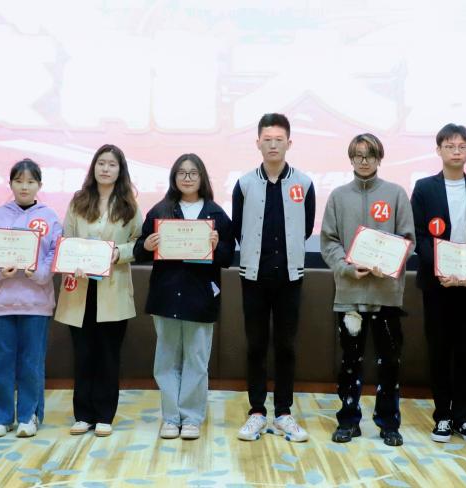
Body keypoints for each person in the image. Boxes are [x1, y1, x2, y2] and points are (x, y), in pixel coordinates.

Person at [320, 133, 415, 446]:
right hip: (350, 295)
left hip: (386, 294)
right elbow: (329, 241)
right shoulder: (338, 196)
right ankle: (348, 421)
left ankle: (389, 423)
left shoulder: (396, 194)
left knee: (389, 363)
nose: (364, 161)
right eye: (358, 155)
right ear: (351, 159)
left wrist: (388, 262)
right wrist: (347, 268)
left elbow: (408, 239)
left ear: (379, 158)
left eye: (370, 155)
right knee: (350, 363)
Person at [133, 154, 235, 441]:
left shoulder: (216, 214)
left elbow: (228, 257)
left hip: (200, 297)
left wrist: (217, 246)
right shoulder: (160, 210)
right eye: (181, 173)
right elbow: (140, 250)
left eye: (193, 173)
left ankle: (191, 418)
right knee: (166, 361)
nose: (187, 178)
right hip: (166, 295)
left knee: (196, 360)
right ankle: (170, 417)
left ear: (202, 177)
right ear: (174, 177)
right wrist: (147, 244)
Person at [410, 123, 466, 444]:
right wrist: (439, 268)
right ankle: (443, 417)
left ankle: (464, 418)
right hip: (438, 285)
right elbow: (418, 235)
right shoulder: (424, 188)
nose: (456, 152)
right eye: (450, 146)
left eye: (462, 146)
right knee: (439, 351)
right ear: (439, 150)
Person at [231, 113, 316, 442]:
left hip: (290, 276)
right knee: (255, 345)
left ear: (289, 143)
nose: (273, 145)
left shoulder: (304, 183)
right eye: (267, 140)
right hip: (253, 276)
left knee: (285, 346)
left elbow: (306, 228)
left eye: (279, 140)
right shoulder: (244, 184)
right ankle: (256, 411)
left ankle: (283, 412)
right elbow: (238, 227)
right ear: (258, 143)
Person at [54, 144, 143, 438]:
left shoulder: (129, 204)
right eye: (101, 163)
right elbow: (66, 238)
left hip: (112, 288)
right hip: (79, 287)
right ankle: (83, 415)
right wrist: (71, 261)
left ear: (120, 170)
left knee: (108, 354)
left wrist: (120, 253)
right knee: (83, 354)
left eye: (112, 164)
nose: (105, 169)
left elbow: (140, 242)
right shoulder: (78, 200)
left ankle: (104, 415)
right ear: (93, 167)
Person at [0, 158, 61, 438]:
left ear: (39, 185)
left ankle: (29, 416)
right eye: (19, 181)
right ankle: (1, 418)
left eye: (30, 181)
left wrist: (39, 273)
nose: (24, 187)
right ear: (10, 184)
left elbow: (54, 253)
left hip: (36, 303)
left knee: (31, 363)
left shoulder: (50, 217)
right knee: (1, 362)